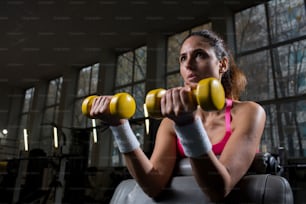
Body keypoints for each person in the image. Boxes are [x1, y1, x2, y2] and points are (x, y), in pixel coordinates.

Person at [89, 29, 266, 202]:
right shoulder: (171, 122)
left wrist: (187, 125)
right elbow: (153, 185)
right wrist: (120, 127)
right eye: (183, 58)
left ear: (222, 64)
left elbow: (218, 190)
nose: (188, 65)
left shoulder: (249, 112)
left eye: (199, 55)